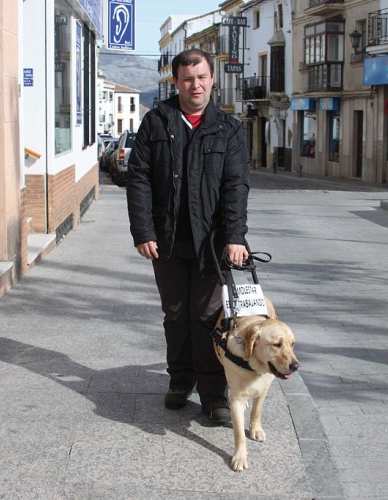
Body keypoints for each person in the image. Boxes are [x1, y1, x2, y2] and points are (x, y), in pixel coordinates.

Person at [126, 48, 250, 425]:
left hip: (211, 245)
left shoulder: (228, 129)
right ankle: (180, 381)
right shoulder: (157, 122)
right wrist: (143, 231)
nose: (195, 85)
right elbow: (139, 179)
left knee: (209, 316)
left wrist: (235, 237)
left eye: (201, 77)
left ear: (212, 79)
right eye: (187, 79)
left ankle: (215, 395)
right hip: (166, 239)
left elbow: (236, 186)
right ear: (175, 81)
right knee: (176, 315)